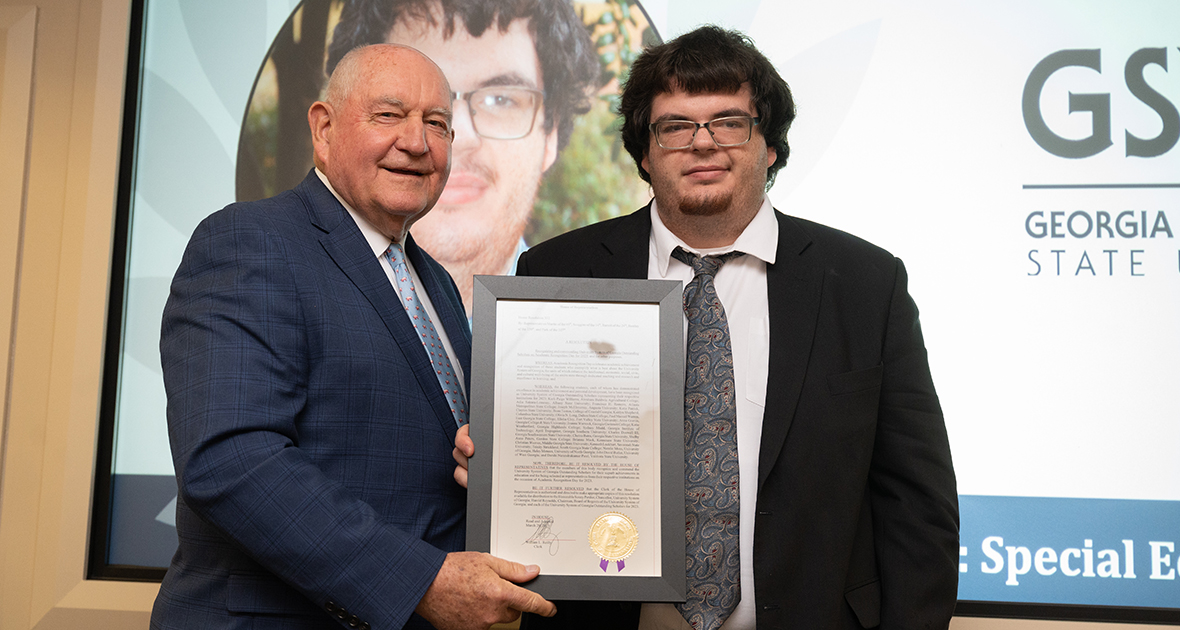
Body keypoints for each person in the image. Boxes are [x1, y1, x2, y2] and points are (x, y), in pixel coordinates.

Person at [455, 25, 959, 629]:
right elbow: (537, 451)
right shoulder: (557, 270)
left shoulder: (864, 284)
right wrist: (498, 461)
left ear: (769, 145)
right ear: (644, 152)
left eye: (729, 121)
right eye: (675, 126)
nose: (703, 143)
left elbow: (917, 504)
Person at [154, 44, 556, 630]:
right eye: (389, 115)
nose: (417, 143)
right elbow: (232, 461)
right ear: (323, 128)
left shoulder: (436, 283)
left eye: (436, 124)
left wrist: (490, 462)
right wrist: (419, 581)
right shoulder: (250, 242)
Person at [326, 0, 600, 313]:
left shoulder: (599, 316)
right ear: (331, 129)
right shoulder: (284, 285)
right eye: (399, 105)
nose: (460, 137)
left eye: (501, 99)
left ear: (551, 134)